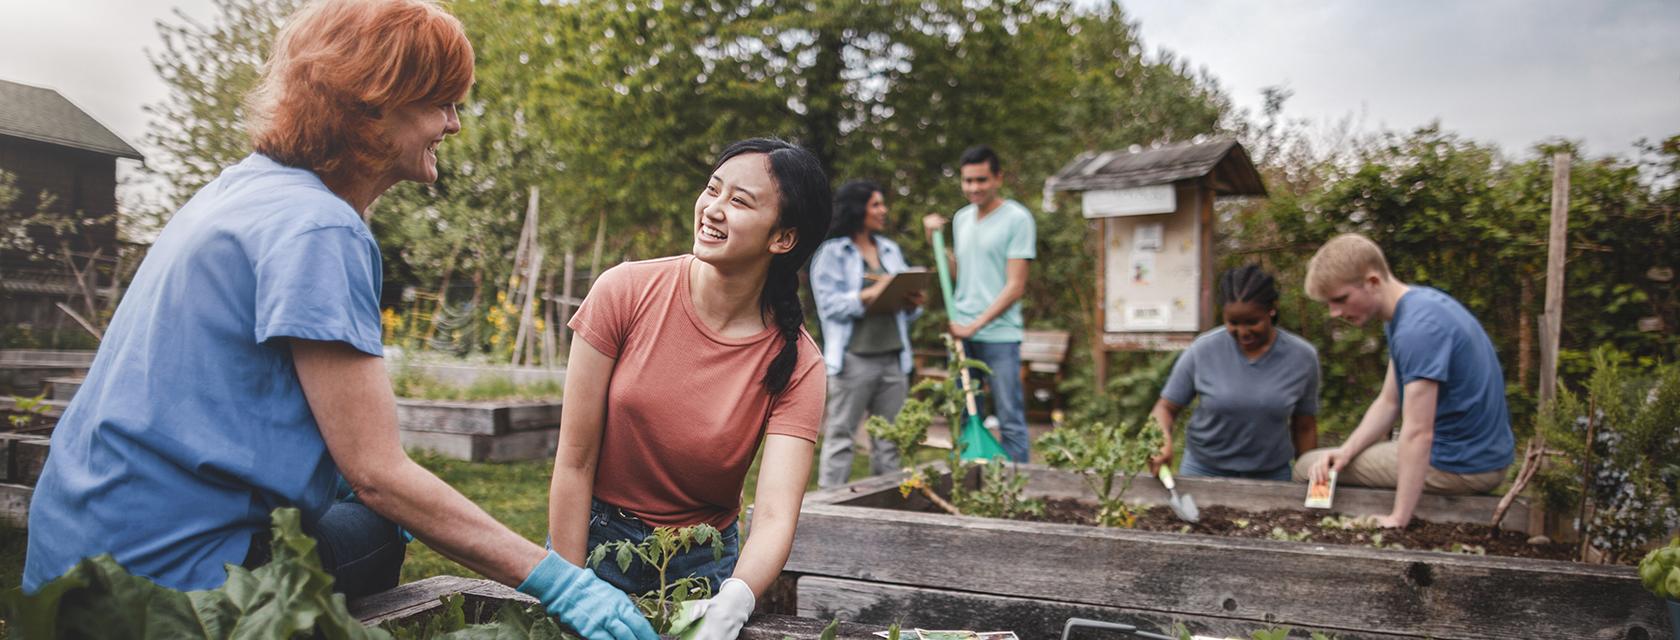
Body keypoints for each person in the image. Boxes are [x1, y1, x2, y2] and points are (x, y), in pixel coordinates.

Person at [21, 2, 654, 639]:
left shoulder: (237, 190)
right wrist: (562, 581)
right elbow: (379, 476)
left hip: (73, 562)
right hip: (169, 587)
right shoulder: (320, 227)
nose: (454, 124)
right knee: (381, 527)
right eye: (440, 102)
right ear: (375, 101)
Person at [548, 138, 830, 640]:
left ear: (783, 238)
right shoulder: (624, 292)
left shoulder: (799, 364)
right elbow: (574, 460)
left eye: (740, 201)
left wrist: (737, 598)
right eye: (712, 189)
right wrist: (569, 586)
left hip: (701, 569)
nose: (713, 209)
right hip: (592, 543)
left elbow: (773, 516)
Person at [1294, 233, 1515, 528]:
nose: (1335, 313)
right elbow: (1389, 401)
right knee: (1329, 461)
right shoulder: (1412, 310)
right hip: (1477, 457)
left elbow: (1418, 432)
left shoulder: (1417, 329)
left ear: (1372, 282)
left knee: (1307, 466)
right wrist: (1345, 451)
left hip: (1462, 464)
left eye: (1340, 299)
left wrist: (1398, 518)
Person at [1148, 265, 1320, 481]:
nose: (1243, 332)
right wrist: (1161, 441)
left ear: (1271, 310)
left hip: (1271, 476)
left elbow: (1304, 426)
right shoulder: (1203, 350)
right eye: (1233, 323)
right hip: (1204, 471)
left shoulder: (1302, 357)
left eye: (1252, 322)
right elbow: (1165, 408)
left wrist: (1312, 480)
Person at [920, 145, 1036, 463]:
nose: (973, 188)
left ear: (998, 178)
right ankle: (971, 485)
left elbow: (1015, 286)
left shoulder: (1017, 219)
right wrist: (936, 243)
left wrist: (976, 324)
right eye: (968, 181)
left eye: (981, 180)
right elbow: (960, 274)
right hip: (962, 333)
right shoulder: (961, 218)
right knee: (966, 415)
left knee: (1009, 418)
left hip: (999, 335)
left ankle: (1017, 491)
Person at [809, 180, 925, 488]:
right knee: (841, 436)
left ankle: (886, 508)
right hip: (853, 361)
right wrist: (870, 294)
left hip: (894, 359)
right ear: (858, 209)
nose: (883, 210)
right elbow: (829, 306)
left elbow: (905, 304)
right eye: (876, 204)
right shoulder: (832, 253)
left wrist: (913, 301)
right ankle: (829, 507)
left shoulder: (889, 249)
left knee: (890, 441)